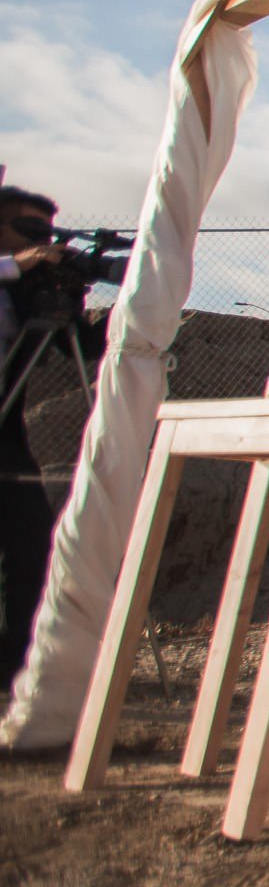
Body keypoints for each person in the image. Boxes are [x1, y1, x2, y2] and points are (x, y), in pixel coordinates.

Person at [0, 185, 102, 686]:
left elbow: (78, 347)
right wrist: (17, 265)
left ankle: (16, 665)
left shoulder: (27, 285)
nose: (42, 243)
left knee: (31, 546)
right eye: (30, 230)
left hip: (6, 434)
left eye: (47, 232)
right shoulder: (12, 273)